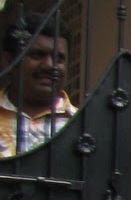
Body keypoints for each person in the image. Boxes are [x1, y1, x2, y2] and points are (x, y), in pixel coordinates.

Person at [0, 13, 75, 159]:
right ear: (8, 60)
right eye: (37, 55)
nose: (49, 65)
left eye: (58, 58)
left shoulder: (83, 125)